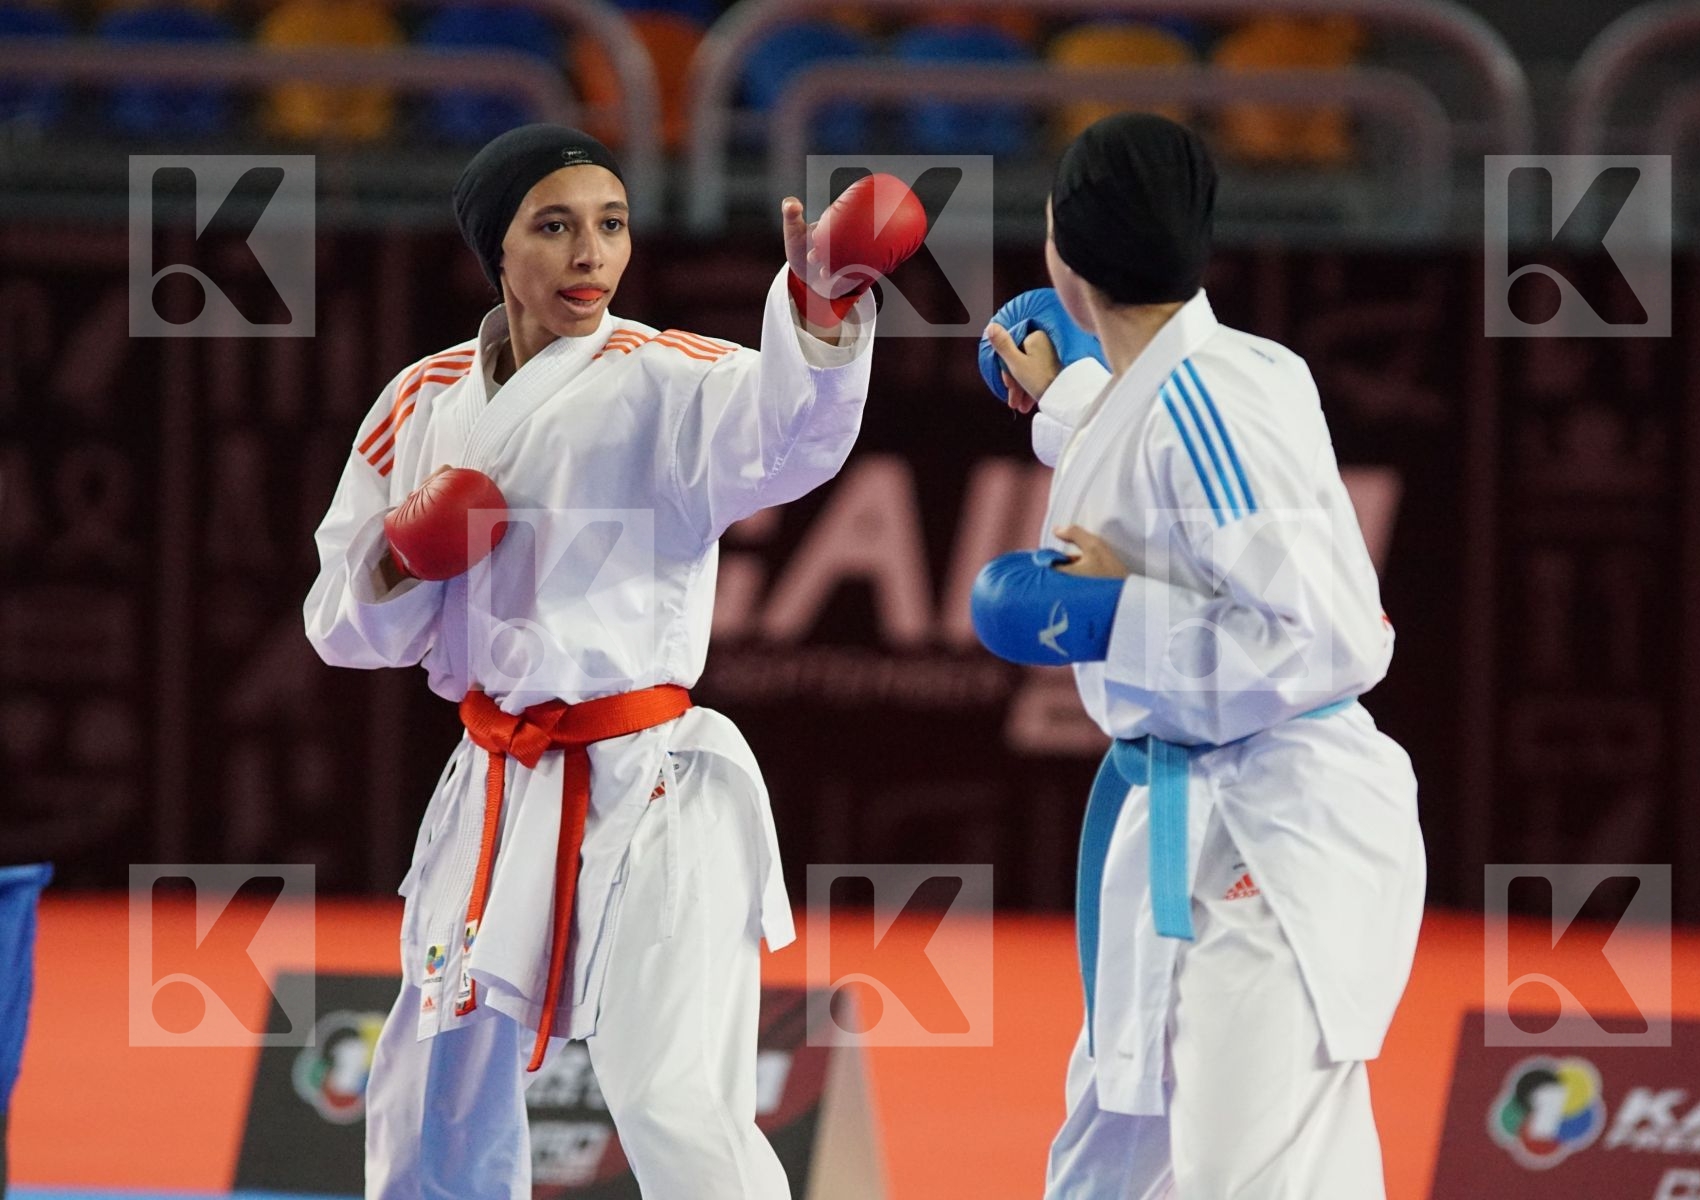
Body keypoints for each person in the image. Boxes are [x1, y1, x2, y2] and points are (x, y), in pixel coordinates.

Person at [303, 124, 923, 1199]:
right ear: (497, 250)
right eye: (556, 228)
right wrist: (403, 559)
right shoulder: (423, 399)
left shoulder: (661, 377)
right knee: (428, 1103)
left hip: (652, 789)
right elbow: (338, 623)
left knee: (675, 1102)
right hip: (495, 783)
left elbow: (787, 434)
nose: (592, 254)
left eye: (611, 225)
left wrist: (819, 314)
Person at [973, 112, 1425, 1199]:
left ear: (1061, 249)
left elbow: (1330, 631)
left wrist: (1112, 612)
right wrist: (1071, 393)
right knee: (1113, 1160)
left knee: (1248, 1173)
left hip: (1274, 823)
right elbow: (1161, 459)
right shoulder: (1213, 377)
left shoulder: (1211, 399)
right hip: (1187, 810)